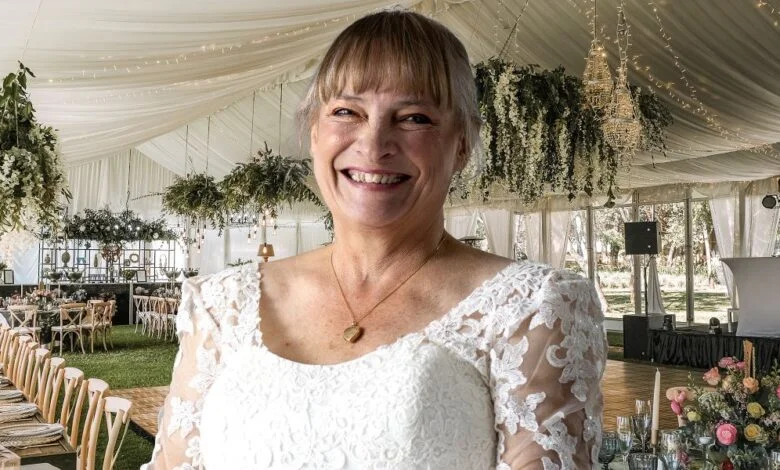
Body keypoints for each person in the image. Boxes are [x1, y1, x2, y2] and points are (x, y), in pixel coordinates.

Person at [144, 10, 605, 470]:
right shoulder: (221, 305)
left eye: (414, 118)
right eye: (347, 112)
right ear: (314, 132)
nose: (374, 143)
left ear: (462, 144)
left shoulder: (532, 307)